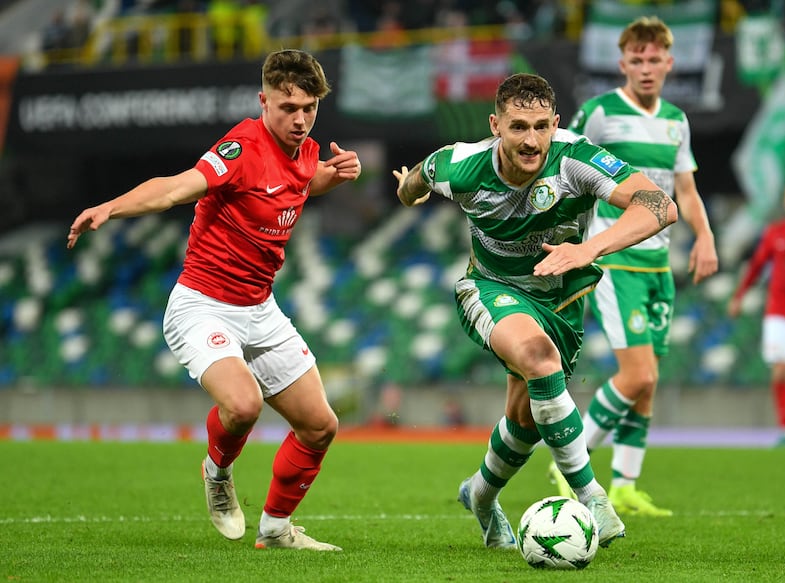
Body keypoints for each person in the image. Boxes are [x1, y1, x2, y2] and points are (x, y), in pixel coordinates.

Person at [66, 49, 361, 551]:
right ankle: (217, 471)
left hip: (260, 308)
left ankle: (275, 529)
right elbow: (176, 188)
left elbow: (296, 186)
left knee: (319, 425)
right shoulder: (241, 147)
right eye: (288, 107)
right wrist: (111, 208)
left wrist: (331, 177)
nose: (300, 119)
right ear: (263, 100)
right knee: (243, 405)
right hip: (203, 303)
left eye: (309, 108)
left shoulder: (307, 150)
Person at [393, 72, 677, 549]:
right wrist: (409, 190)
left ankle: (480, 496)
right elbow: (415, 180)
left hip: (560, 299)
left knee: (526, 420)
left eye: (542, 126)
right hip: (490, 287)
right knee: (539, 360)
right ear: (495, 125)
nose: (531, 140)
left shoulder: (575, 160)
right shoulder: (461, 165)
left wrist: (592, 249)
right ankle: (592, 498)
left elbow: (659, 204)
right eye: (519, 126)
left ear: (556, 124)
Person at [548, 16, 719, 517]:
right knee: (637, 375)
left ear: (669, 63)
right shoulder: (600, 113)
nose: (645, 68)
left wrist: (705, 234)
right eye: (636, 60)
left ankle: (625, 484)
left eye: (654, 59)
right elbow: (567, 161)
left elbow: (684, 189)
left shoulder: (676, 122)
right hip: (616, 259)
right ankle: (569, 463)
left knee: (649, 381)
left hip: (658, 265)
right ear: (622, 64)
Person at [728, 181, 785, 448]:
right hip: (779, 311)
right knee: (782, 370)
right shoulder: (775, 232)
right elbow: (756, 266)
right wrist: (738, 297)